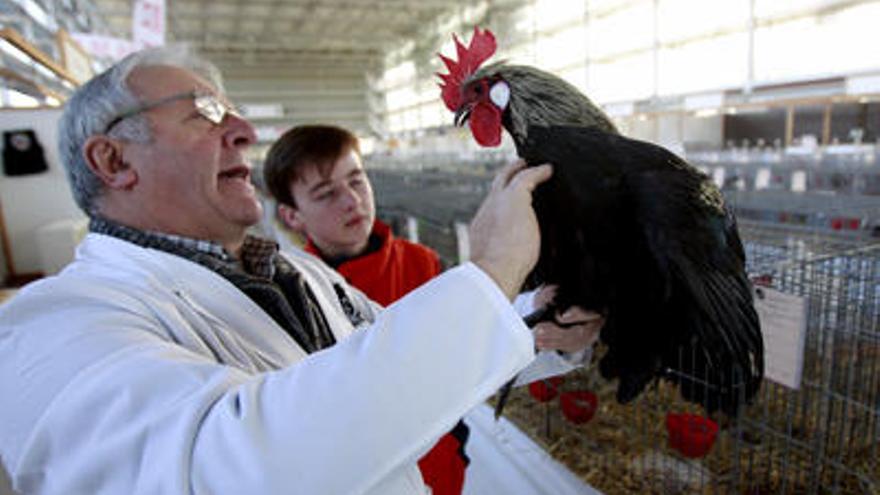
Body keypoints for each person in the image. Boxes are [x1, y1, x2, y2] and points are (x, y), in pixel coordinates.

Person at [0, 46, 599, 494]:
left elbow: (381, 349)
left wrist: (532, 320)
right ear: (113, 159)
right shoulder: (51, 329)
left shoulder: (292, 272)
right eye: (207, 112)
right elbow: (228, 471)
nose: (244, 132)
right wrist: (491, 272)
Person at [262, 125, 604, 494]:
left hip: (444, 476)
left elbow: (467, 350)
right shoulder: (294, 297)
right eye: (326, 194)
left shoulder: (421, 263)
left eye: (356, 181)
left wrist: (549, 330)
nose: (351, 201)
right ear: (292, 216)